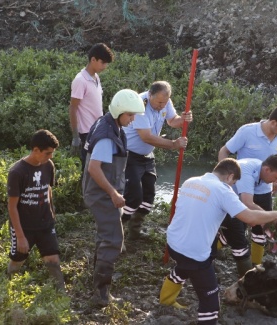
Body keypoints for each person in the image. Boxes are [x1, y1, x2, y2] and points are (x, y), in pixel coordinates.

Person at [159, 158, 277, 325]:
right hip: (194, 253)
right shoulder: (223, 190)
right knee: (211, 300)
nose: (232, 187)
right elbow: (250, 219)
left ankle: (165, 300)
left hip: (173, 243)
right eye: (233, 183)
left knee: (184, 266)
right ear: (230, 177)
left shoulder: (191, 181)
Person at [82, 89, 145, 307]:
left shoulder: (110, 125)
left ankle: (97, 283)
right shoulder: (107, 137)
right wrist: (113, 193)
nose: (133, 119)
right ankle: (101, 293)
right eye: (130, 115)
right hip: (101, 194)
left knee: (105, 236)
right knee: (113, 241)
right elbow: (94, 168)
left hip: (103, 192)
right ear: (119, 112)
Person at [217, 103, 277, 266]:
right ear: (273, 122)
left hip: (264, 188)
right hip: (243, 188)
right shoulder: (247, 131)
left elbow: (276, 160)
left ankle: (256, 267)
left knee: (261, 228)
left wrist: (275, 180)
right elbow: (224, 151)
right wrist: (225, 180)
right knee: (236, 227)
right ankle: (213, 251)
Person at [122, 80, 193, 240]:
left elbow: (172, 120)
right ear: (150, 94)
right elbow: (146, 137)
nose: (162, 105)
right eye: (159, 102)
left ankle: (135, 230)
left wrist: (182, 119)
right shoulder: (139, 105)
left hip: (147, 156)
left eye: (165, 102)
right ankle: (117, 231)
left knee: (148, 197)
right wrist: (173, 144)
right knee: (133, 196)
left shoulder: (165, 101)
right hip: (130, 155)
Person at [6, 129, 65, 292]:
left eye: (52, 153)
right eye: (47, 153)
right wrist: (20, 236)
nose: (50, 157)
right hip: (24, 227)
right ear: (36, 150)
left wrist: (51, 212)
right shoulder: (17, 172)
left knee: (53, 260)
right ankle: (5, 289)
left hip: (45, 224)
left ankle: (61, 296)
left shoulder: (48, 166)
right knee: (17, 261)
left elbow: (48, 189)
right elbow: (11, 206)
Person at [215, 154, 277, 277]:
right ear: (267, 170)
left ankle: (256, 266)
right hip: (224, 202)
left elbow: (258, 213)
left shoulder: (263, 172)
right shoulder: (246, 172)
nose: (276, 182)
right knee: (238, 241)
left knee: (253, 229)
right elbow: (247, 203)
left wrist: (272, 221)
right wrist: (274, 217)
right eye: (276, 178)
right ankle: (247, 278)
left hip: (237, 199)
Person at [69, 43, 115, 173]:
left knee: (98, 166)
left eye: (106, 63)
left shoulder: (96, 77)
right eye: (103, 63)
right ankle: (86, 193)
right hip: (86, 132)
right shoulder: (80, 80)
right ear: (93, 59)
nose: (105, 66)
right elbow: (73, 108)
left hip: (97, 129)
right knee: (88, 167)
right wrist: (76, 136)